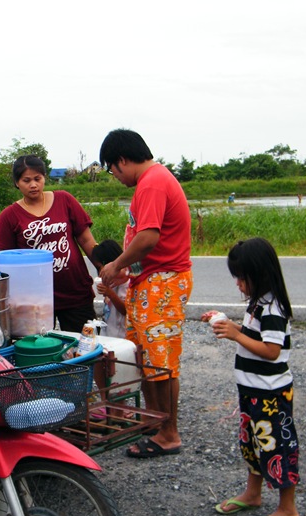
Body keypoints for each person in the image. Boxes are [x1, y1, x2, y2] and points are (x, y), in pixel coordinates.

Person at [98, 129, 192, 458]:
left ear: (122, 160)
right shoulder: (153, 180)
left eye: (112, 169)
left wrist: (115, 265)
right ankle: (155, 424)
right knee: (148, 359)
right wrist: (127, 270)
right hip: (151, 280)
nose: (114, 176)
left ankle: (169, 433)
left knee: (161, 362)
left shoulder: (152, 182)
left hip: (163, 283)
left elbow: (149, 237)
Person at [202, 237, 300, 516]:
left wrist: (234, 334)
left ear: (259, 274)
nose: (238, 284)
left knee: (277, 446)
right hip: (252, 391)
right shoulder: (259, 304)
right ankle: (253, 493)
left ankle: (288, 509)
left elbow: (270, 350)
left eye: (241, 278)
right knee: (253, 443)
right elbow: (254, 337)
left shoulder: (273, 308)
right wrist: (227, 322)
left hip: (271, 393)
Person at [0, 155, 98, 333]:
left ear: (44, 178)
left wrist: (104, 267)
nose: (33, 185)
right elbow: (5, 263)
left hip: (75, 293)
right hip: (33, 300)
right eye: (26, 180)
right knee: (39, 350)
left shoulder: (64, 200)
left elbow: (86, 239)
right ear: (17, 182)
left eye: (37, 179)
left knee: (84, 348)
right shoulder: (9, 216)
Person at [92, 239, 128, 339]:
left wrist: (110, 294)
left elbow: (125, 310)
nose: (100, 272)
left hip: (121, 337)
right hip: (108, 334)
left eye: (100, 267)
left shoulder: (126, 283)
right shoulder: (111, 282)